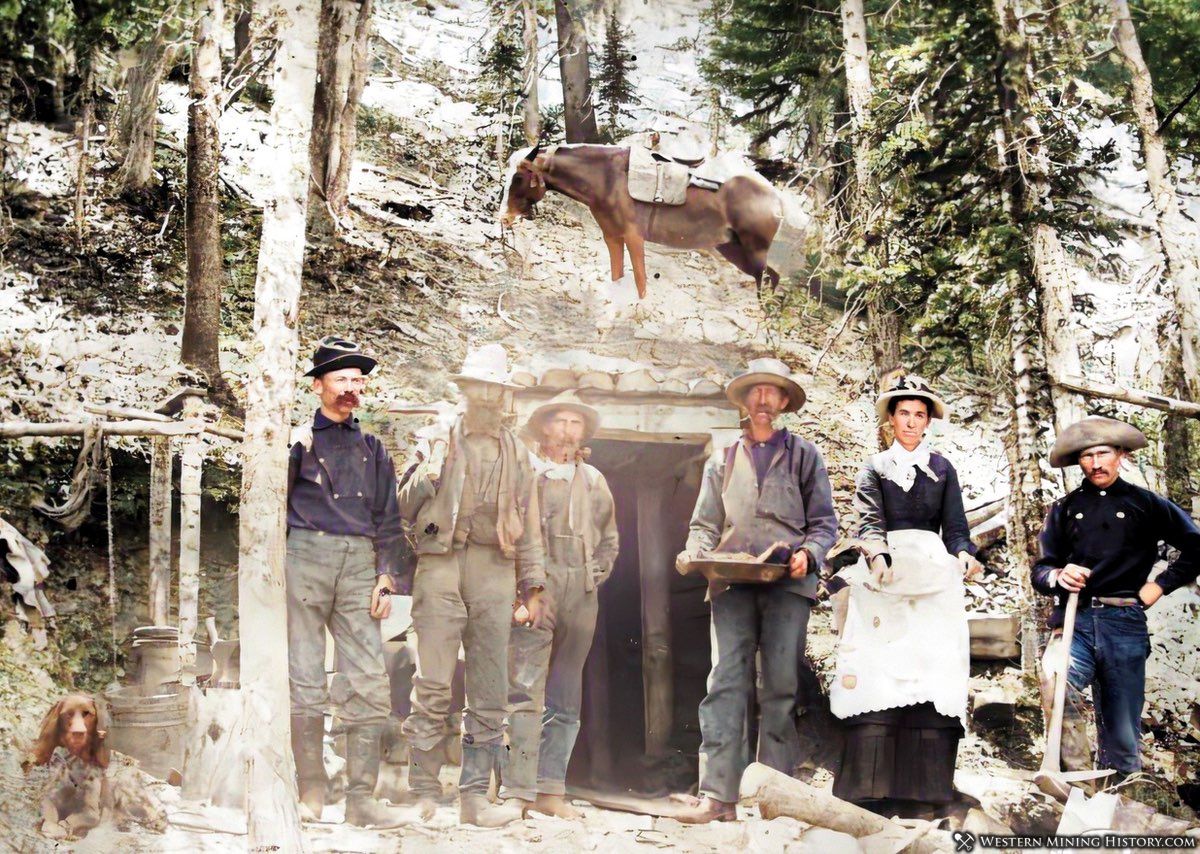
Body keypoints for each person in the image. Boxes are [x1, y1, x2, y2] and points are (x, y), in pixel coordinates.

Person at [673, 358, 838, 823]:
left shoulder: (805, 454)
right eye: (755, 393)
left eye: (773, 394)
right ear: (744, 402)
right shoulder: (722, 456)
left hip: (788, 582)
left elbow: (825, 524)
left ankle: (776, 800)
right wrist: (695, 553)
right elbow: (704, 525)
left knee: (780, 685)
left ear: (784, 403)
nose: (763, 402)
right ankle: (718, 796)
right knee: (725, 681)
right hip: (731, 583)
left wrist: (810, 553)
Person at [398, 343, 551, 827]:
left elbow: (531, 524)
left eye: (496, 389)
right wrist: (429, 471)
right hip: (440, 564)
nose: (488, 397)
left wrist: (533, 585)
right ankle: (423, 792)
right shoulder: (435, 438)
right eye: (479, 387)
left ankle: (473, 799)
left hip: (494, 569)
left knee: (488, 689)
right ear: (465, 391)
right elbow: (401, 505)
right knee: (433, 683)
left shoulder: (518, 453)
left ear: (504, 396)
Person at [828, 374, 983, 818]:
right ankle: (870, 789)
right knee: (880, 670)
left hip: (933, 572)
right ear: (890, 420)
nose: (911, 422)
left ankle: (926, 792)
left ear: (927, 421)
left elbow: (955, 527)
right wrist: (877, 555)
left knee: (929, 668)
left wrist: (964, 555)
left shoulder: (943, 468)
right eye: (903, 414)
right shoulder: (874, 468)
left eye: (919, 414)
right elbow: (870, 523)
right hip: (887, 573)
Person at [285, 335, 414, 827]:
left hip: (360, 563)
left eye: (357, 380)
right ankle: (311, 794)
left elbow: (389, 518)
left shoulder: (373, 448)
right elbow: (273, 509)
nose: (350, 388)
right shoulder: (299, 441)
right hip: (305, 555)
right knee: (304, 675)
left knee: (367, 678)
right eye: (340, 379)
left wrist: (387, 577)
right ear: (318, 386)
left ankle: (361, 801)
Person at [1032, 415, 1200, 779]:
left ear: (1120, 454)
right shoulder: (1063, 508)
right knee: (1057, 682)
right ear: (1079, 461)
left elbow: (1195, 546)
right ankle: (1074, 783)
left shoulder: (1146, 503)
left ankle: (1118, 793)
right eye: (1087, 456)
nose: (1095, 463)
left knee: (1121, 724)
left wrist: (1160, 585)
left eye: (1103, 453)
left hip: (1124, 623)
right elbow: (1041, 570)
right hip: (1074, 622)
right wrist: (1059, 575)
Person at [502, 390, 619, 819]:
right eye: (560, 422)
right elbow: (510, 535)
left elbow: (610, 540)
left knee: (566, 694)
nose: (567, 431)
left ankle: (551, 790)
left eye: (576, 424)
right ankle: (516, 790)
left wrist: (592, 577)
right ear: (544, 427)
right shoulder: (524, 473)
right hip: (536, 587)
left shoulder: (594, 480)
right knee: (524, 691)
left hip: (579, 593)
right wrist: (522, 593)